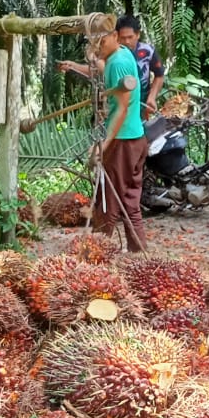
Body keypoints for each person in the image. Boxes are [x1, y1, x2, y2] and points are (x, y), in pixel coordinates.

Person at [68, 28, 147, 252]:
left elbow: (121, 108)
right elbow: (103, 70)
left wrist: (102, 144)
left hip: (122, 141)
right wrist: (84, 62)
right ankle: (140, 255)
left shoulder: (118, 63)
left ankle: (95, 255)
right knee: (130, 202)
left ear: (115, 35)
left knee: (107, 201)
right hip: (136, 137)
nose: (98, 47)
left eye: (101, 42)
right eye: (94, 43)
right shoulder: (120, 55)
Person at [57, 14, 167, 119]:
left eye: (130, 37)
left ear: (138, 35)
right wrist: (73, 66)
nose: (127, 41)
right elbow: (97, 71)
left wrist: (151, 97)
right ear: (116, 36)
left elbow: (159, 75)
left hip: (141, 107)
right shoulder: (109, 53)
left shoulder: (147, 51)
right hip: (115, 108)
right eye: (123, 38)